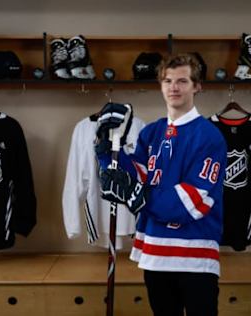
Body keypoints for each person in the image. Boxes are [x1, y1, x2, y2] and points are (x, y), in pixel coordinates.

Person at [96, 53, 227, 316]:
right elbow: (129, 179)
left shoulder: (209, 136)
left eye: (182, 81)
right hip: (155, 254)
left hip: (195, 258)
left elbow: (191, 202)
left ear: (197, 86)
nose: (173, 87)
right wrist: (107, 146)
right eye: (167, 81)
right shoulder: (152, 132)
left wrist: (138, 196)